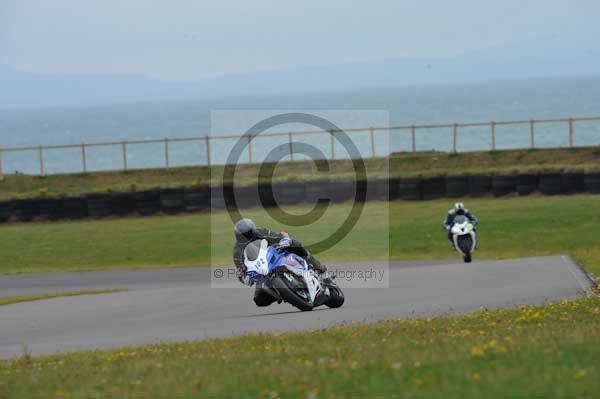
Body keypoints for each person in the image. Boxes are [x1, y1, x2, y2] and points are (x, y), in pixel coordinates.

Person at [232, 218, 327, 307]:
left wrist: (284, 241)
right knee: (259, 300)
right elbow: (241, 270)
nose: (247, 237)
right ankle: (284, 293)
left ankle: (316, 265)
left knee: (295, 244)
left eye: (249, 233)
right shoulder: (237, 252)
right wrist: (245, 277)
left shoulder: (261, 232)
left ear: (253, 230)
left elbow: (278, 236)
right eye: (243, 235)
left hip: (277, 254)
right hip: (262, 270)